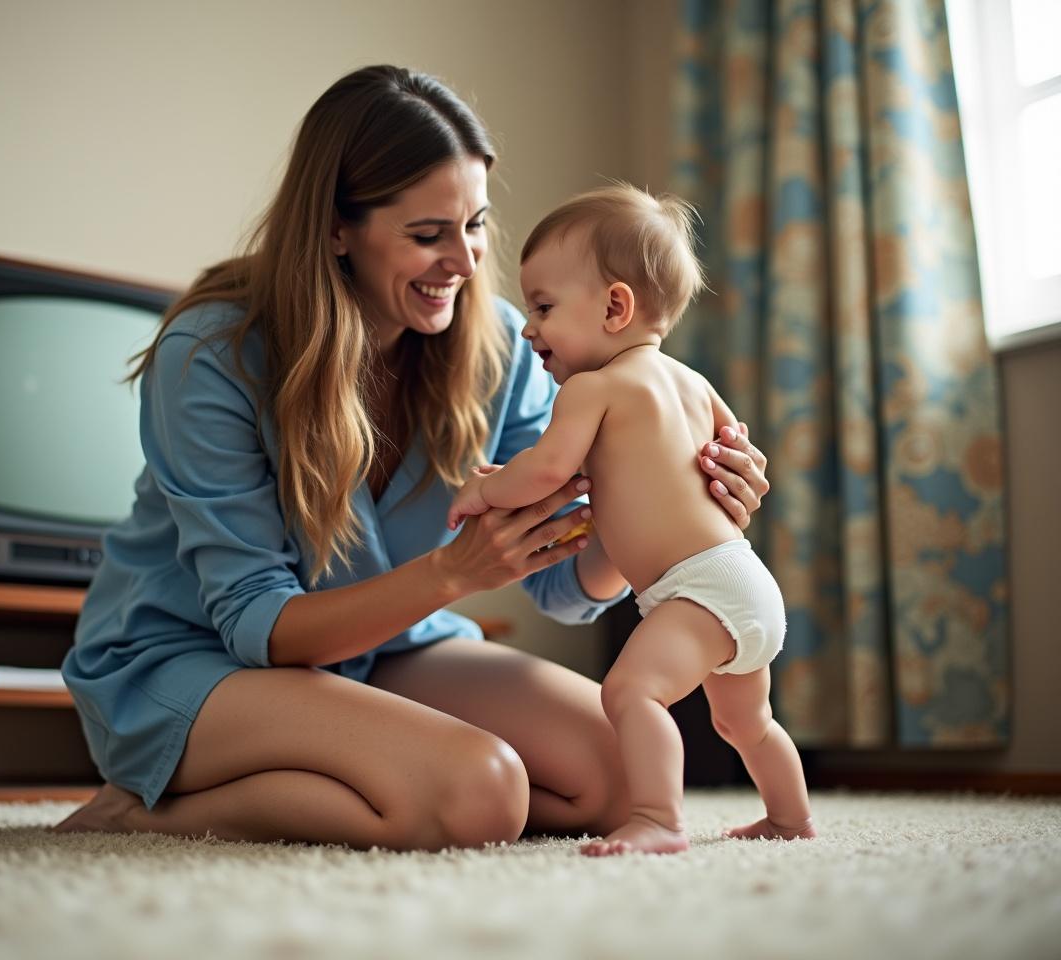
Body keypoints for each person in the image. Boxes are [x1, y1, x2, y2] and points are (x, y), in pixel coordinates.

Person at [54, 66, 772, 851]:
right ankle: (142, 812)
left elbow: (569, 587)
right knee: (478, 793)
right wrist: (453, 575)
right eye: (428, 235)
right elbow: (258, 624)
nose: (462, 263)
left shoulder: (502, 347)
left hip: (382, 651)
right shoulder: (212, 355)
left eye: (475, 226)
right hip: (194, 659)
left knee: (620, 771)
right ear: (337, 229)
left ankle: (372, 773)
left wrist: (667, 508)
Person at [447, 184, 814, 855]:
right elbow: (738, 449)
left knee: (630, 692)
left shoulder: (594, 388)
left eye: (544, 307)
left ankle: (659, 817)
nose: (529, 328)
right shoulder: (691, 380)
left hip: (695, 588)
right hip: (744, 581)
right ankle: (790, 817)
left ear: (615, 306)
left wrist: (485, 493)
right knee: (747, 722)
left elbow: (549, 471)